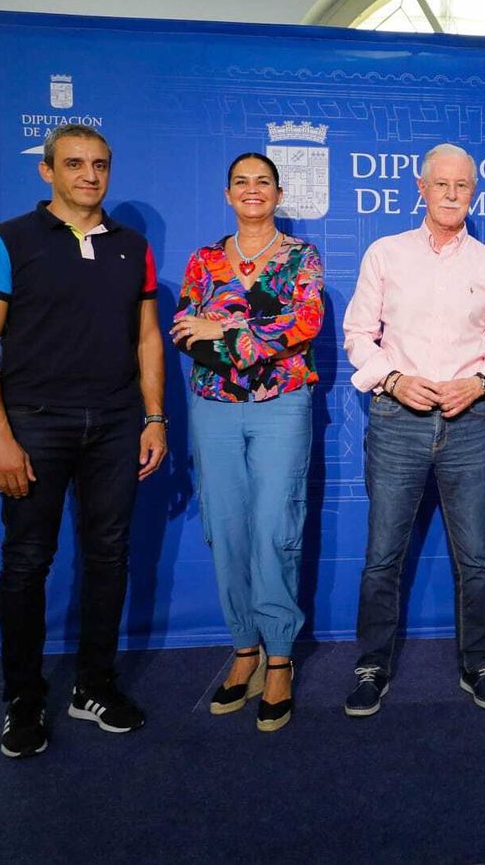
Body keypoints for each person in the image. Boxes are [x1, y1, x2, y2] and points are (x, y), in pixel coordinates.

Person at [0, 123, 167, 758]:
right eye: (74, 164)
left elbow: (147, 338)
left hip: (114, 424)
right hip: (34, 424)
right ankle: (23, 699)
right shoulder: (7, 242)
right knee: (27, 562)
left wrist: (154, 417)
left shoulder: (134, 247)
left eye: (100, 164)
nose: (89, 175)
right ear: (46, 171)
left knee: (109, 558)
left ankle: (94, 687)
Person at [341, 143, 485, 716]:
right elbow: (356, 336)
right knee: (381, 556)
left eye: (462, 185)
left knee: (475, 559)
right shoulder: (385, 254)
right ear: (420, 188)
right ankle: (371, 665)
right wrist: (392, 380)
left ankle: (479, 664)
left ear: (474, 192)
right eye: (441, 184)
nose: (451, 194)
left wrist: (482, 384)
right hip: (397, 421)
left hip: (469, 423)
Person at [171, 152, 324, 732]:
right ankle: (244, 649)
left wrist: (226, 327)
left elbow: (304, 324)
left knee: (275, 526)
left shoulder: (300, 257)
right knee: (227, 526)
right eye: (242, 182)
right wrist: (248, 335)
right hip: (213, 407)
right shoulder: (204, 260)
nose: (253, 190)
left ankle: (279, 655)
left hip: (282, 405)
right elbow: (188, 334)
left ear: (279, 194)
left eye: (263, 182)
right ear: (227, 194)